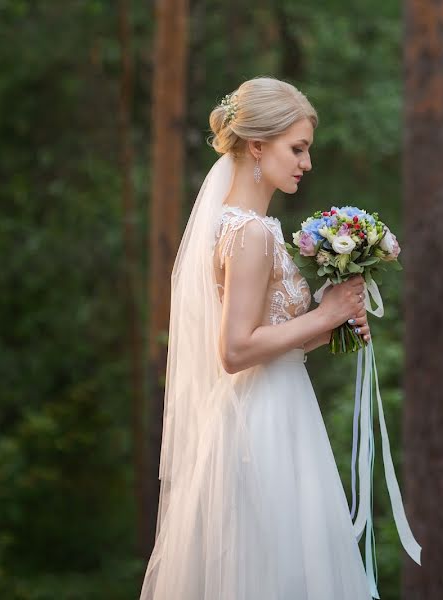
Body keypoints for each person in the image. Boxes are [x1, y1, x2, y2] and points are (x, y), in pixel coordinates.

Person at [139, 76, 375, 599]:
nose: (305, 163)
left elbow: (273, 341)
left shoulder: (254, 226)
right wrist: (323, 315)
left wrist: (334, 320)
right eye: (298, 148)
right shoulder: (247, 233)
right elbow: (235, 351)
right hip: (259, 426)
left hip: (281, 410)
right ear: (256, 145)